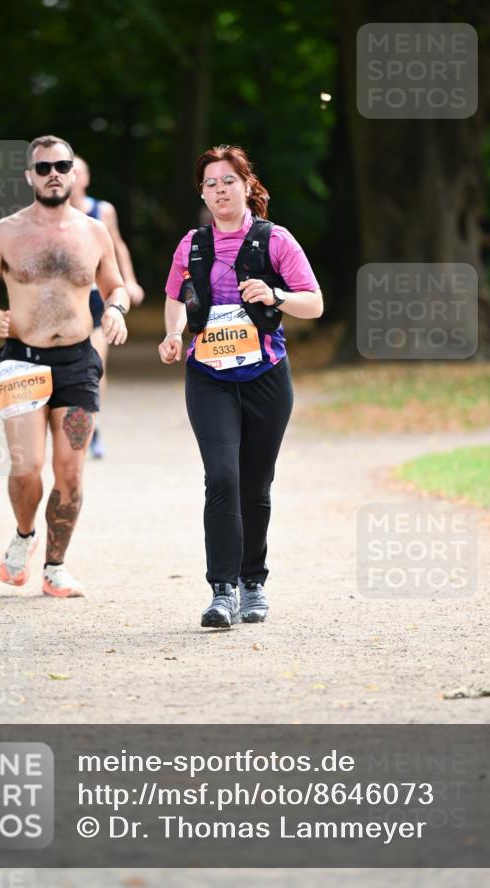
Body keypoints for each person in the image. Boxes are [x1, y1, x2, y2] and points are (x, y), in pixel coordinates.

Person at [159, 145, 323, 628]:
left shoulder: (276, 241)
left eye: (228, 180)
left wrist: (276, 294)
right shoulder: (192, 244)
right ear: (202, 194)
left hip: (265, 377)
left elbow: (313, 303)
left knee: (255, 484)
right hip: (208, 377)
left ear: (247, 185)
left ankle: (253, 583)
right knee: (222, 478)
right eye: (210, 183)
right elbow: (173, 296)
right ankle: (222, 590)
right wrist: (172, 334)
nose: (219, 190)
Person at [0, 135, 129, 598]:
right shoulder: (6, 232)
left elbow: (115, 286)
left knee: (71, 473)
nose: (53, 173)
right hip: (22, 362)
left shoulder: (93, 232)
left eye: (62, 165)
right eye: (43, 167)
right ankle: (24, 535)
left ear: (74, 173)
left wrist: (115, 310)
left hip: (77, 362)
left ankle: (55, 566)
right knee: (26, 466)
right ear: (29, 176)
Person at [70, 156, 144, 458]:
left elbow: (118, 245)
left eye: (76, 171)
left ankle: (91, 426)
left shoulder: (103, 210)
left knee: (94, 368)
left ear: (86, 178)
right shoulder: (49, 214)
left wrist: (129, 282)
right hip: (63, 303)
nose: (70, 177)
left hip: (95, 297)